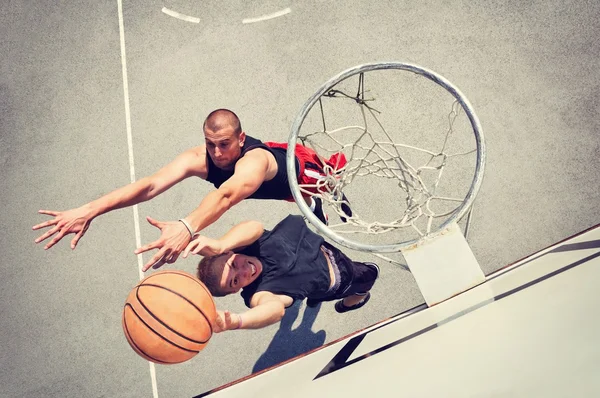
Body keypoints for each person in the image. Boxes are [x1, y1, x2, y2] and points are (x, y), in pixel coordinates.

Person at [32, 109, 350, 271]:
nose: (216, 152)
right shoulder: (199, 159)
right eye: (210, 144)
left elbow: (226, 195)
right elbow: (150, 185)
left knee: (321, 185)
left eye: (224, 144)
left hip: (300, 170)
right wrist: (90, 209)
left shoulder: (256, 161)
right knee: (300, 199)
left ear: (241, 139)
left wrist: (187, 226)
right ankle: (313, 202)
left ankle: (326, 195)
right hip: (283, 188)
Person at [186, 214, 379, 332]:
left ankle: (314, 297)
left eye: (233, 265)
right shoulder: (260, 293)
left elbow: (253, 226)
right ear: (236, 290)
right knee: (371, 273)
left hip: (325, 252)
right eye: (235, 281)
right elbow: (274, 310)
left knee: (313, 293)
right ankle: (348, 303)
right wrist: (238, 321)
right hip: (341, 277)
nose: (244, 271)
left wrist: (217, 243)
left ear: (229, 252)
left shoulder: (250, 244)